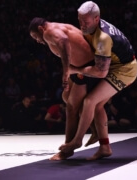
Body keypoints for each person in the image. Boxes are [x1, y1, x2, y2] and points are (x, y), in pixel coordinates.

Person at [59, 1, 137, 160]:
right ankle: (105, 147)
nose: (81, 25)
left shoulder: (103, 38)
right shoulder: (91, 26)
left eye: (85, 22)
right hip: (112, 66)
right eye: (79, 20)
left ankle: (77, 141)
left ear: (97, 19)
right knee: (97, 105)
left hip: (125, 70)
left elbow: (100, 72)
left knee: (90, 101)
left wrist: (74, 70)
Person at [29, 17, 100, 160]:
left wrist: (66, 70)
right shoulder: (59, 26)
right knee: (66, 98)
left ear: (41, 29)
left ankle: (67, 149)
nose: (37, 40)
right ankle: (95, 129)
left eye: (35, 36)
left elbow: (64, 42)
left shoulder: (49, 32)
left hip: (85, 67)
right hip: (80, 67)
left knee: (71, 107)